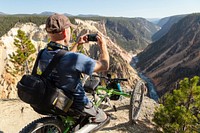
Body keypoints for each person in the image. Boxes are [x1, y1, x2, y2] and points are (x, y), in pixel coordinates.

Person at [39, 13, 110, 129]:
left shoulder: (42, 53)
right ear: (65, 32)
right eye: (69, 29)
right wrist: (103, 46)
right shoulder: (75, 58)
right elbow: (104, 65)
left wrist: (77, 44)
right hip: (75, 104)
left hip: (52, 98)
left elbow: (62, 57)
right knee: (104, 118)